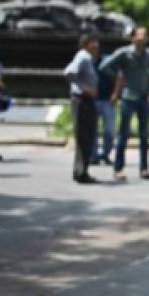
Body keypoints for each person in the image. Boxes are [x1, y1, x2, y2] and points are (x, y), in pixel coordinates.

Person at [100, 27, 149, 180]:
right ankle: (118, 168)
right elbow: (104, 66)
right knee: (123, 135)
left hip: (144, 98)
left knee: (144, 136)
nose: (142, 38)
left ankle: (144, 169)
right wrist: (119, 77)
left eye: (145, 35)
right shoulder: (124, 52)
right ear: (133, 38)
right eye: (139, 35)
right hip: (128, 98)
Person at [63, 34, 100, 184]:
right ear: (86, 44)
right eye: (94, 43)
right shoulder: (83, 56)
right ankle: (80, 172)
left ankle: (82, 170)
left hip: (87, 101)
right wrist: (83, 88)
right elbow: (69, 73)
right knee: (83, 136)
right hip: (81, 101)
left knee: (87, 136)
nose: (97, 46)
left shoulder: (88, 59)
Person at [91, 50, 116, 165]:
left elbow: (119, 76)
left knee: (109, 130)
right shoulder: (87, 61)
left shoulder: (108, 61)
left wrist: (115, 94)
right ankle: (94, 155)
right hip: (93, 99)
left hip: (107, 99)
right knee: (92, 129)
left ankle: (106, 154)